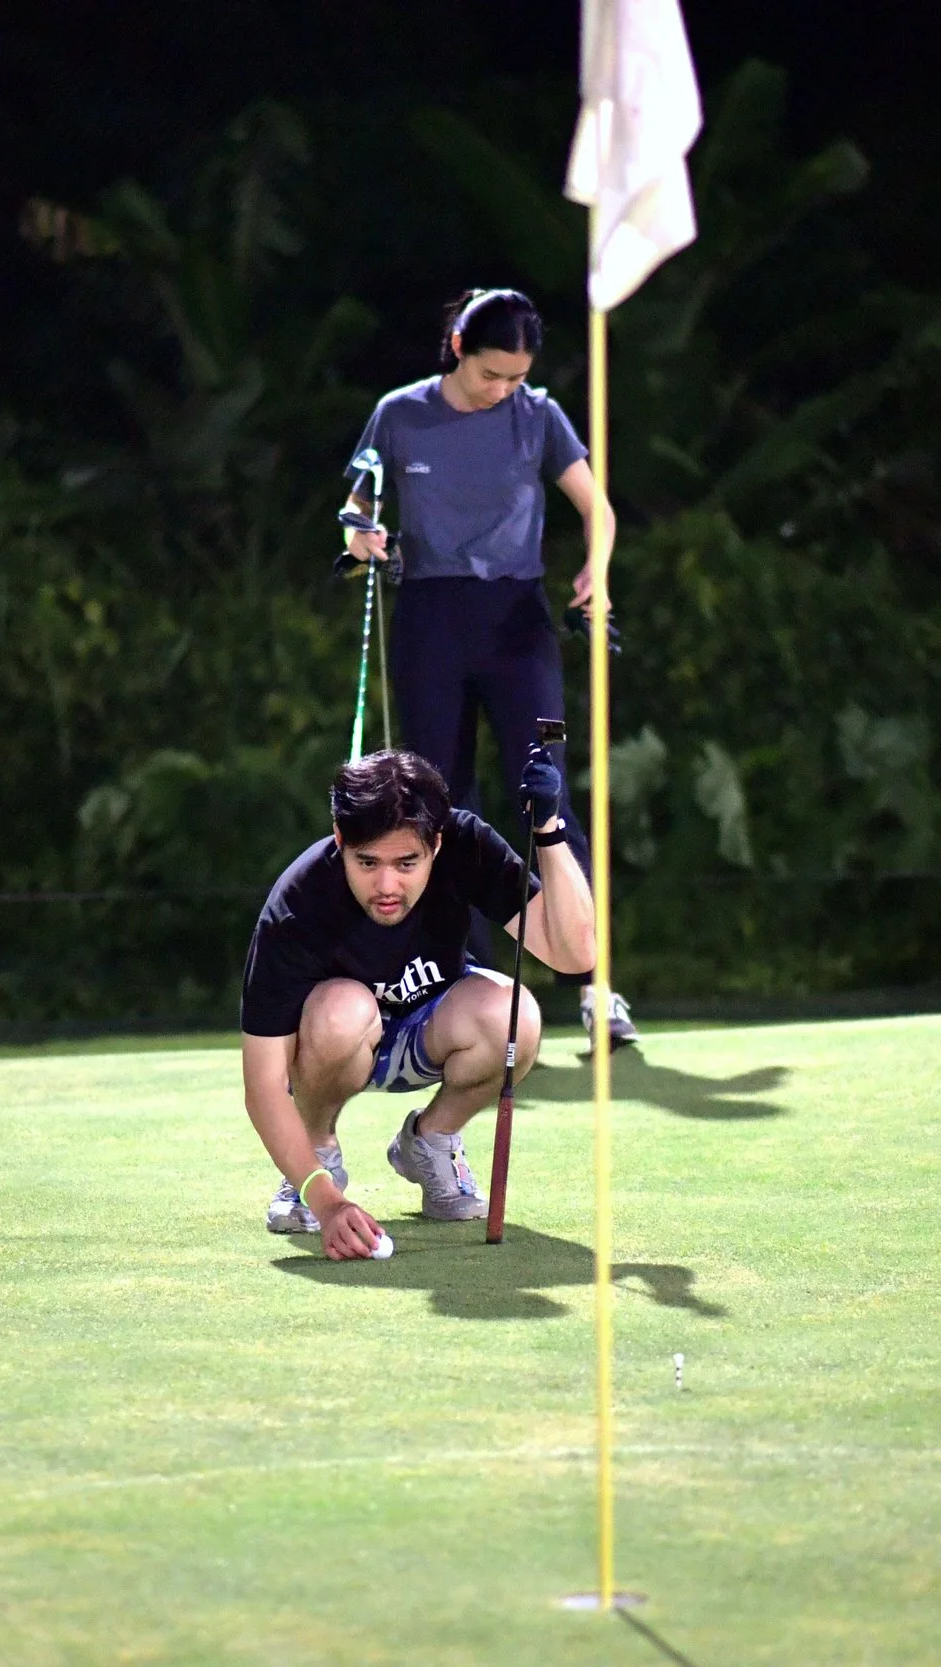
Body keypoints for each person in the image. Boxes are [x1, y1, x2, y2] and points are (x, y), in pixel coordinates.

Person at [340, 288, 639, 1048]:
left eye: (515, 376)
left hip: (516, 621)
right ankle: (461, 982)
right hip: (431, 618)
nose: (502, 389)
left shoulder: (537, 416)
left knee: (545, 790)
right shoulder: (400, 413)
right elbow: (358, 506)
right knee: (439, 803)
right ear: (459, 349)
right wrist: (361, 537)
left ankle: (591, 983)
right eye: (491, 375)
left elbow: (596, 510)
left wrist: (595, 573)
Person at [239, 746, 595, 1261]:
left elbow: (575, 952)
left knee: (515, 1016)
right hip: (337, 1038)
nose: (387, 886)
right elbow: (263, 1087)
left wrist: (550, 832)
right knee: (344, 1010)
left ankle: (431, 1140)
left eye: (407, 863)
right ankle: (315, 1156)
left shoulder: (466, 845)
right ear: (340, 840)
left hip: (433, 1026)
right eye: (368, 863)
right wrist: (328, 1201)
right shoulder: (298, 902)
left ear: (437, 843)